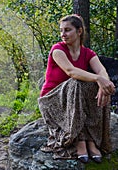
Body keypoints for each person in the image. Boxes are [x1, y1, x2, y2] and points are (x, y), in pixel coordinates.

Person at [38, 14, 116, 163]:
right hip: (52, 100)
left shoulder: (87, 53)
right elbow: (71, 72)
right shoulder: (57, 50)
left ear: (79, 31)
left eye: (67, 30)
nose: (63, 34)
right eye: (61, 30)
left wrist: (103, 84)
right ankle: (80, 140)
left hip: (73, 98)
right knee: (78, 82)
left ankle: (91, 141)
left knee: (101, 85)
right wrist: (98, 79)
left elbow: (101, 70)